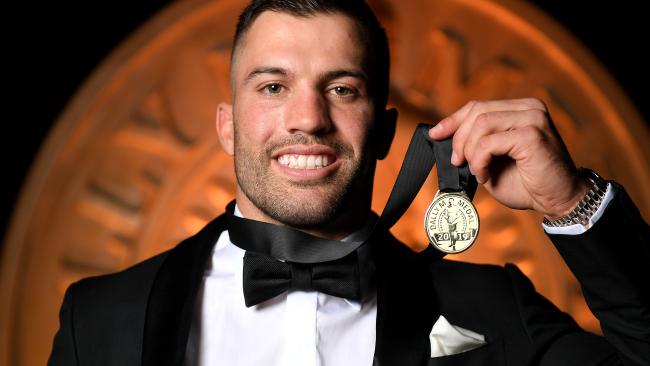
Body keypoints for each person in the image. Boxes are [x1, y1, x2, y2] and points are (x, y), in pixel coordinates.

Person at [48, 0, 649, 365]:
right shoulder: (99, 318)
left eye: (341, 89)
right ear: (228, 127)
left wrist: (571, 201)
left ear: (386, 131)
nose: (308, 118)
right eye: (273, 87)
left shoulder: (492, 310)